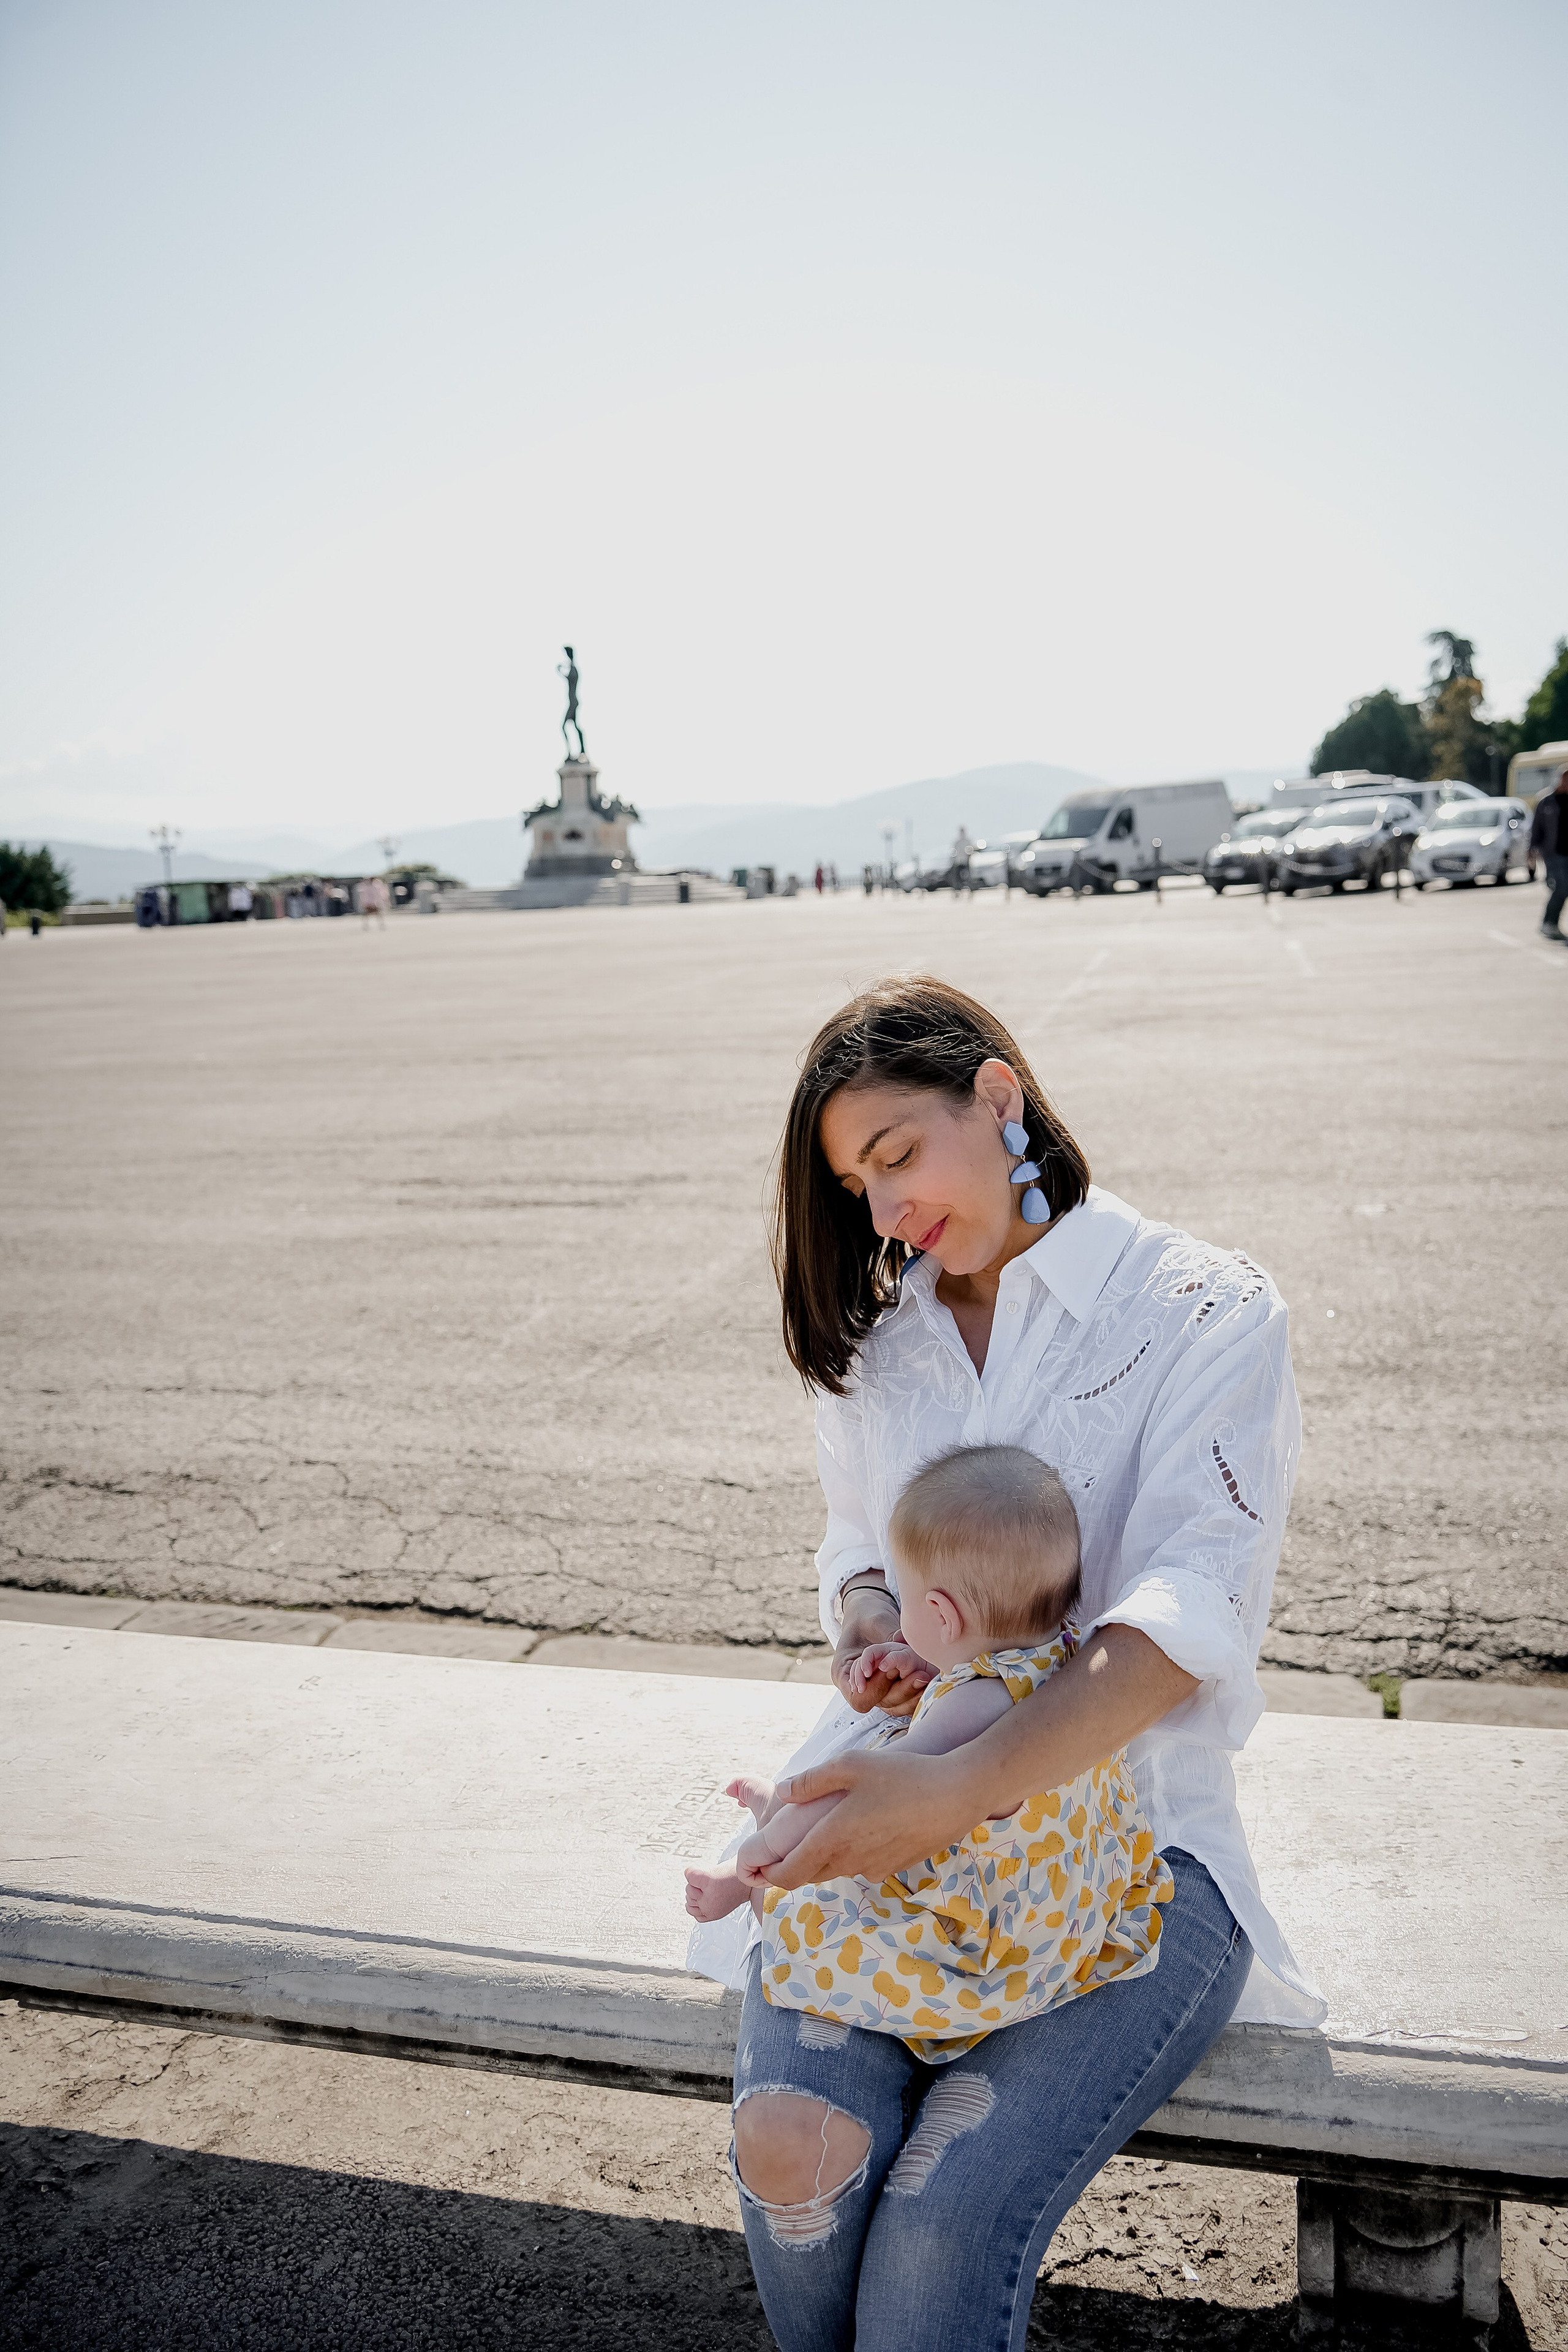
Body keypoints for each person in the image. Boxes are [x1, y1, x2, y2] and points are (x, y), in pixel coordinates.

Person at [686, 973, 1314, 2352]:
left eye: (897, 1155)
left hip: (1130, 1862)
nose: (884, 1209)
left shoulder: (1201, 1307)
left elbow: (1180, 1617)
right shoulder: (876, 1346)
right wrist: (870, 1634)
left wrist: (954, 1795)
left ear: (998, 1095)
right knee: (794, 2149)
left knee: (938, 2224)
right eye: (855, 1183)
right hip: (882, 1839)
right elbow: (857, 1552)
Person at [685, 1445, 1170, 2075]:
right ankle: (770, 1811)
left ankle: (749, 1879)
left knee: (808, 1912)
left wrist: (762, 1855)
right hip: (1064, 1903)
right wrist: (927, 1667)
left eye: (904, 1597)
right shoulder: (1062, 1655)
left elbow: (863, 1796)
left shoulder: (969, 1705)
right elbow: (977, 1681)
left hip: (981, 1950)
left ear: (940, 1614)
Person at [1529, 767, 1568, 940]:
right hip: (1553, 854)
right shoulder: (1546, 802)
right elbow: (1536, 829)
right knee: (1561, 887)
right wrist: (1531, 851)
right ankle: (1549, 923)